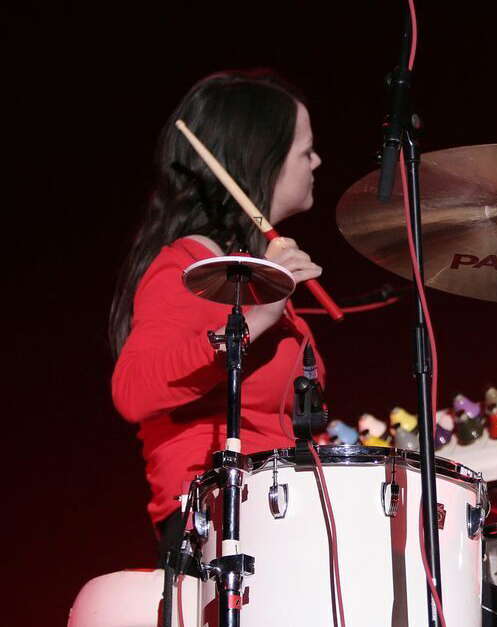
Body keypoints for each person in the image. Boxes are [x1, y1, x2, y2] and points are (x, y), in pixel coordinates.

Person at [109, 70, 326, 555]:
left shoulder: (246, 275)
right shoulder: (189, 268)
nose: (317, 160)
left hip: (276, 507)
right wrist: (257, 317)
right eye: (304, 150)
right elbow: (133, 389)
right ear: (261, 163)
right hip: (219, 522)